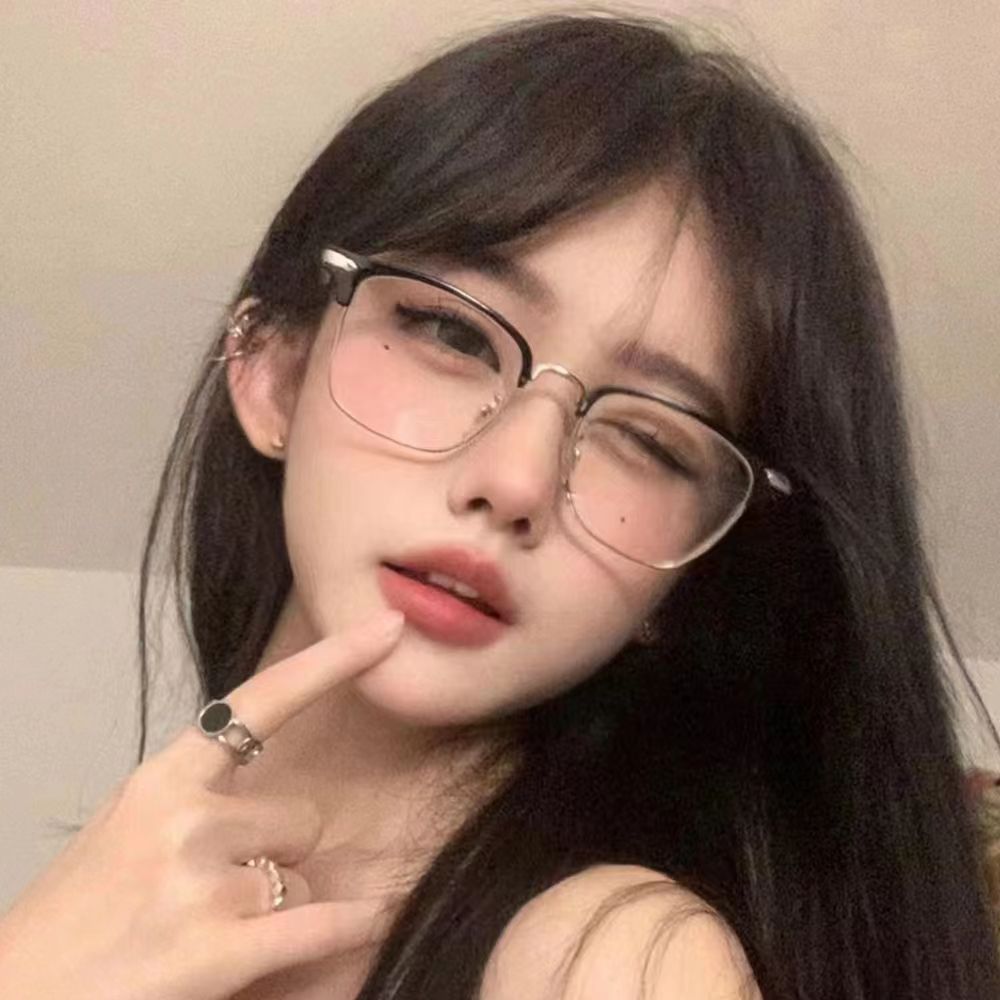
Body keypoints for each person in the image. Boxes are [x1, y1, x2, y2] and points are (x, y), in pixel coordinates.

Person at [0, 11, 997, 1000]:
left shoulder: (614, 961)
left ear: (695, 569)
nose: (516, 481)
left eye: (650, 440)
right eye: (453, 334)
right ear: (273, 372)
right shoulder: (117, 892)